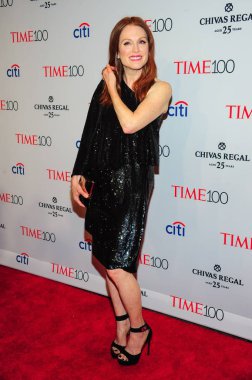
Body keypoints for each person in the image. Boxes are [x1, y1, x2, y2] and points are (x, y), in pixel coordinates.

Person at [71, 16, 171, 366]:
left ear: (150, 48)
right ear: (116, 49)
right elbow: (90, 133)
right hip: (102, 178)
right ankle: (121, 327)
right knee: (106, 258)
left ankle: (140, 329)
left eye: (142, 41)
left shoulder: (160, 89)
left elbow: (129, 124)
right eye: (127, 42)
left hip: (131, 181)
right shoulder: (103, 89)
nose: (135, 49)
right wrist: (77, 173)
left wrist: (111, 84)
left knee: (118, 265)